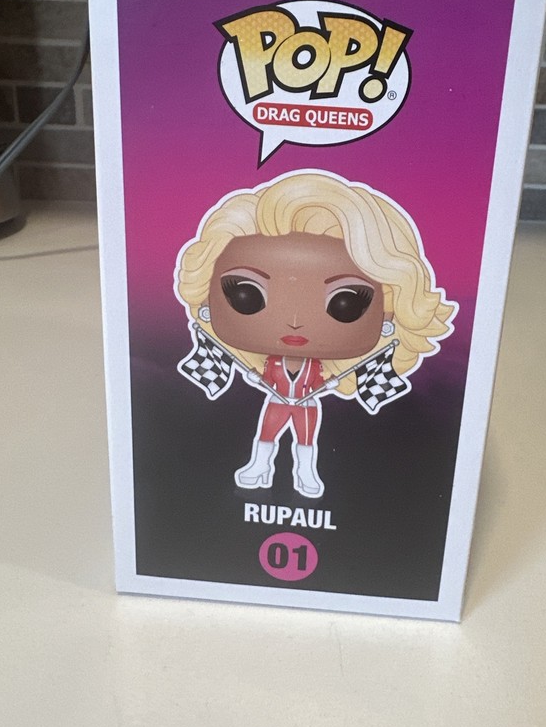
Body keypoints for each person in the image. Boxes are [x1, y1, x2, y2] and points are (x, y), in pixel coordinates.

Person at [175, 170, 457, 498]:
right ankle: (259, 466)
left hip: (306, 405)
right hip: (277, 401)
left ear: (391, 309)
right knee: (266, 434)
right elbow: (264, 375)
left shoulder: (315, 367)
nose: (295, 322)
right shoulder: (272, 363)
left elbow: (319, 380)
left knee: (306, 441)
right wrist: (254, 377)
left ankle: (305, 474)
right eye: (246, 294)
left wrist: (331, 384)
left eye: (346, 302)